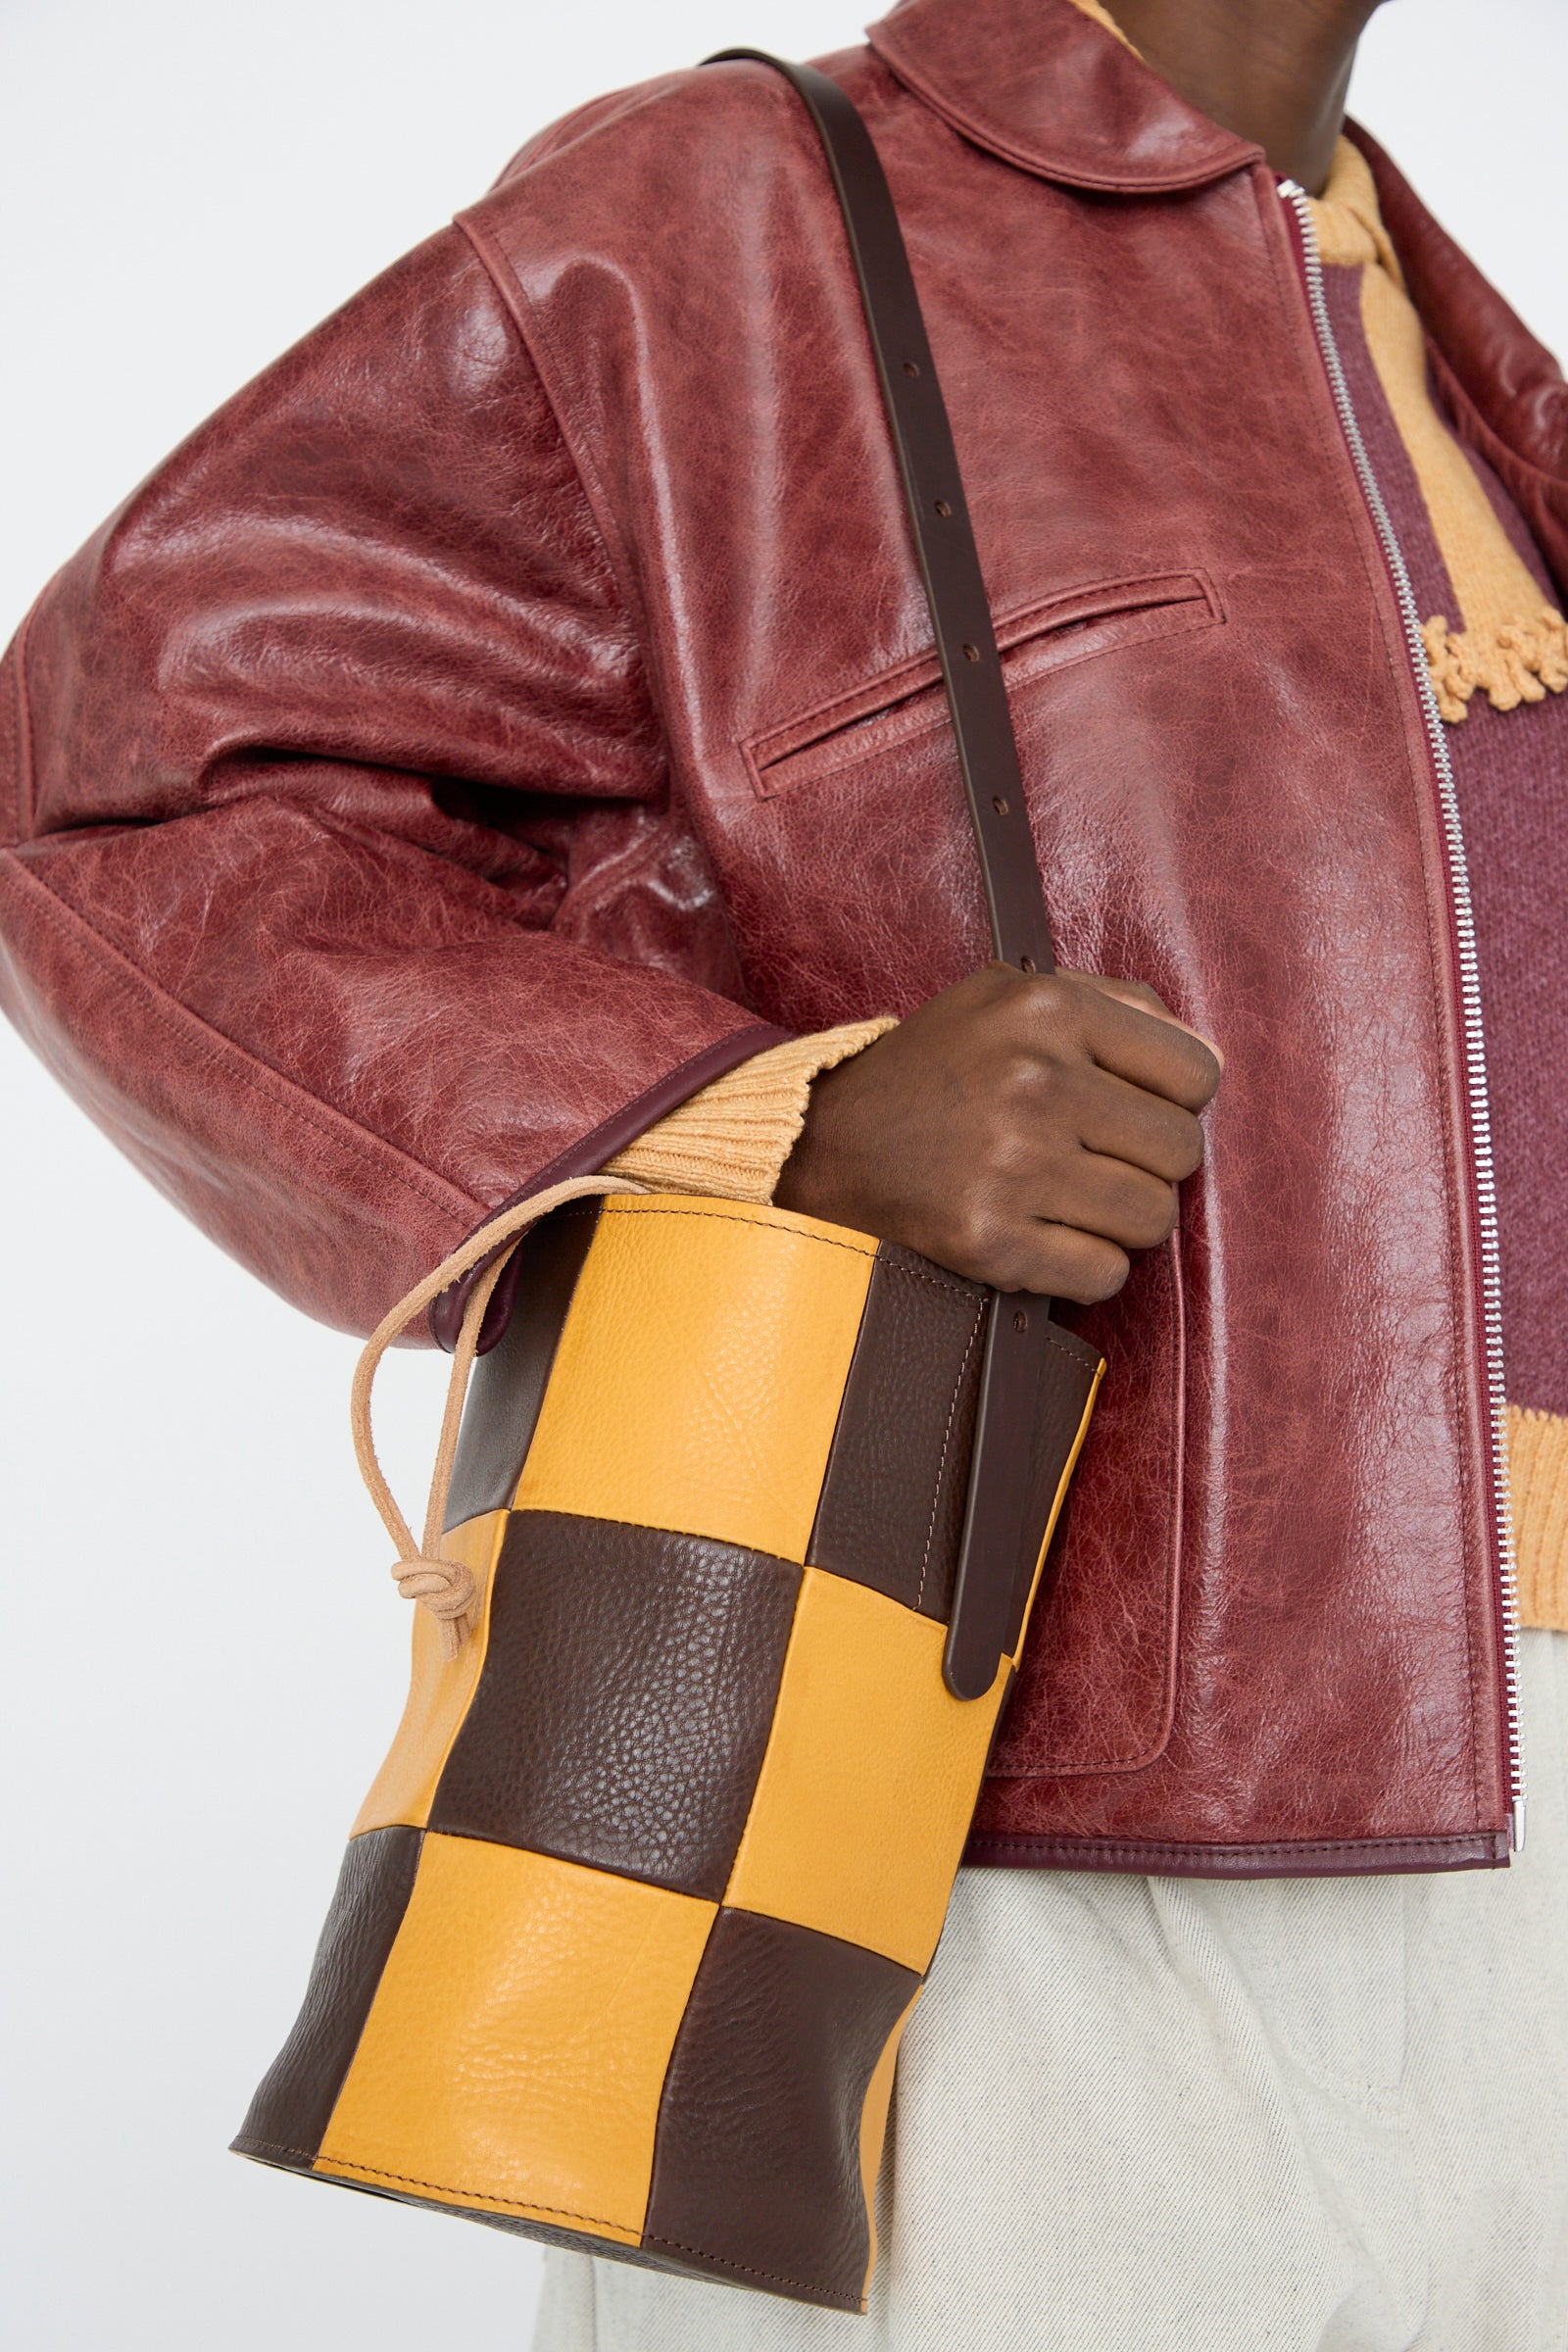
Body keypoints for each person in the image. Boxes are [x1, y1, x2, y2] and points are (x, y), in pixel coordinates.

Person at [2, 0, 1564, 2342]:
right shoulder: (719, 234)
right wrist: (784, 1119)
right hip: (1023, 1832)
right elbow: (121, 793)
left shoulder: (1437, 324)